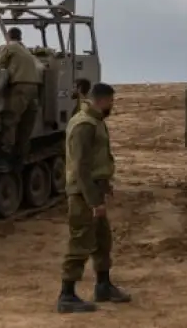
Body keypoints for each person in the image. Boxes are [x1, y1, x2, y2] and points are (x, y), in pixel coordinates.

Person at [57, 82, 131, 314]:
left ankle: (103, 285)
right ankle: (66, 295)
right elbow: (81, 167)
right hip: (82, 194)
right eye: (111, 102)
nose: (112, 106)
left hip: (93, 191)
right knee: (80, 242)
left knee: (101, 240)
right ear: (101, 100)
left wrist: (104, 187)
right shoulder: (84, 125)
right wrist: (94, 201)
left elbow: (97, 160)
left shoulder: (95, 121)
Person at [0, 27, 42, 172]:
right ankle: (21, 159)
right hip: (34, 88)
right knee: (26, 125)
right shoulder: (24, 50)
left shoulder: (9, 47)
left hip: (20, 88)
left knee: (10, 120)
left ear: (8, 36)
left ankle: (4, 159)